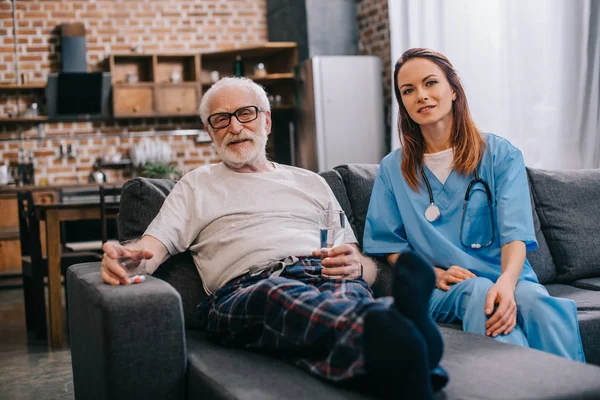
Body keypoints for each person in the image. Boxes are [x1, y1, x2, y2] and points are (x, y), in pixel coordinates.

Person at [101, 77, 448, 399]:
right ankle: (402, 331)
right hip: (249, 287)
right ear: (210, 132)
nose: (234, 127)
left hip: (326, 274)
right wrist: (129, 257)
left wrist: (357, 269)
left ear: (266, 122)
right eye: (221, 120)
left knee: (343, 298)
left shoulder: (310, 182)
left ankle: (396, 343)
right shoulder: (195, 185)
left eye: (245, 114)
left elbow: (360, 263)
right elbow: (151, 248)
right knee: (280, 294)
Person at [363, 48, 585, 362]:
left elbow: (515, 235)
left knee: (537, 303)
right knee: (479, 292)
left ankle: (572, 387)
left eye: (430, 83)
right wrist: (433, 273)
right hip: (442, 286)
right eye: (408, 91)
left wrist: (507, 284)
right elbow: (388, 243)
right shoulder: (392, 169)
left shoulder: (499, 155)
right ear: (403, 104)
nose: (421, 96)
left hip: (506, 274)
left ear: (453, 90)